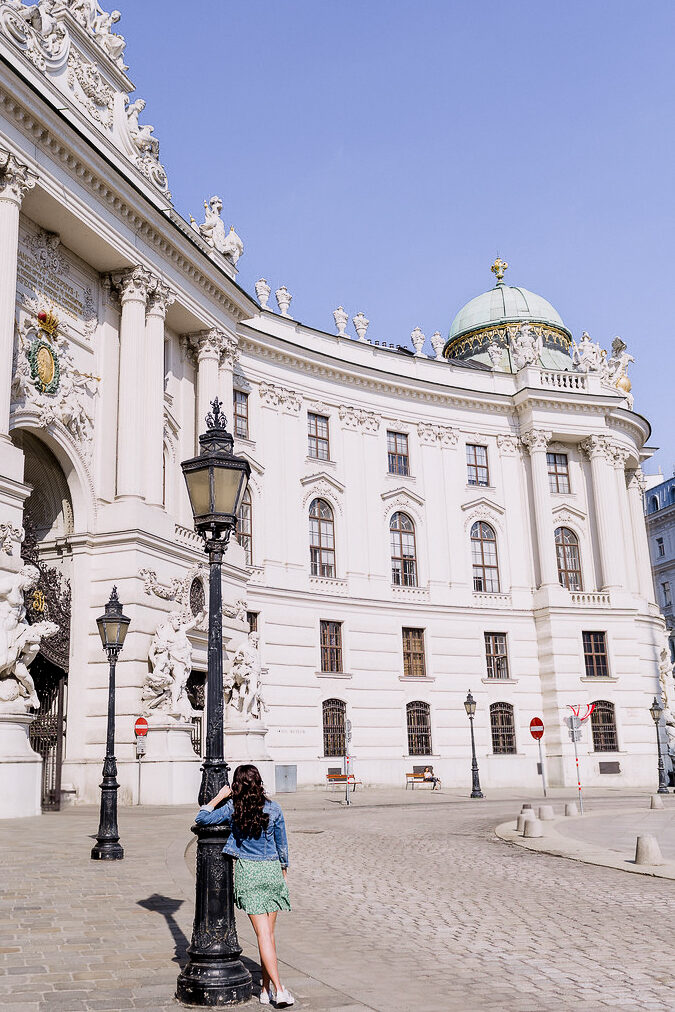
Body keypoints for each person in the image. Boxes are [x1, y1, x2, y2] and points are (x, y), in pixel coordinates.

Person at [195, 764, 294, 1008]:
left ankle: (277, 990)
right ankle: (266, 989)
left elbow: (202, 818)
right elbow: (282, 844)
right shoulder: (274, 808)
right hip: (271, 872)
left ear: (237, 786)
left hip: (248, 872)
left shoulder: (233, 808)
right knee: (268, 936)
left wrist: (219, 796)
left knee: (263, 936)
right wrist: (283, 871)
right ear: (259, 782)